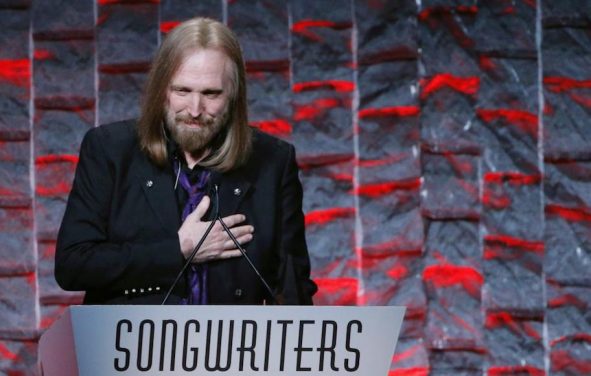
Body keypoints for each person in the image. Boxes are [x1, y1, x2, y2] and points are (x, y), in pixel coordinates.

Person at [55, 17, 317, 305]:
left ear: (233, 96)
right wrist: (179, 248)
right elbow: (73, 266)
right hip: (132, 345)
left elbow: (293, 286)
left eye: (211, 94)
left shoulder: (273, 160)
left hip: (232, 347)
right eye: (182, 91)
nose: (194, 109)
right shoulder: (109, 149)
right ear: (161, 89)